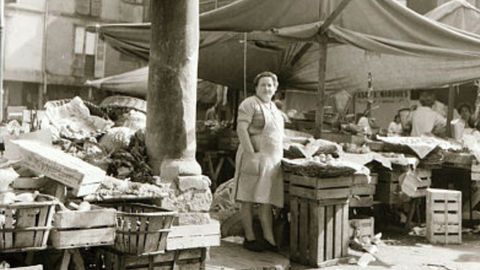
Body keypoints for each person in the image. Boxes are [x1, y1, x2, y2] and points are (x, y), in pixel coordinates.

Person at [234, 71, 284, 252]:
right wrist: (251, 154)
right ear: (256, 87)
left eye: (270, 85)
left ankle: (269, 240)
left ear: (275, 88)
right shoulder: (249, 104)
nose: (266, 88)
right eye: (262, 85)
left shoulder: (275, 108)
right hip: (254, 159)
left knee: (266, 200)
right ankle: (250, 238)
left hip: (271, 162)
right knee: (247, 198)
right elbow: (241, 129)